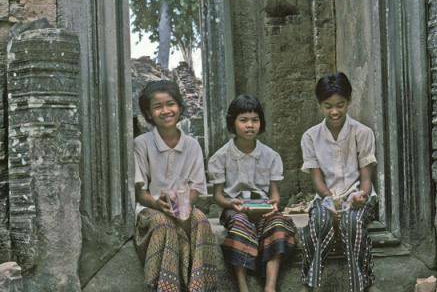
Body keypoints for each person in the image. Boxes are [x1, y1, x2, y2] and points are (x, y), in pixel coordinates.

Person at [134, 80, 217, 292]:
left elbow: (196, 187)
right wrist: (157, 203)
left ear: (179, 107)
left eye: (170, 104)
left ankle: (200, 287)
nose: (165, 111)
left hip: (184, 206)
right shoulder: (142, 144)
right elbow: (140, 191)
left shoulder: (191, 145)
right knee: (164, 224)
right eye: (157, 106)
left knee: (201, 220)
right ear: (149, 114)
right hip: (150, 209)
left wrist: (184, 205)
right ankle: (164, 287)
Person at [208, 95, 296, 292]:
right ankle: (243, 286)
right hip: (235, 209)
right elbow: (219, 196)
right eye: (243, 120)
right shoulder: (220, 157)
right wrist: (232, 205)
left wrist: (273, 204)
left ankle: (270, 286)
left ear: (261, 123)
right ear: (233, 123)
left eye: (255, 120)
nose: (250, 125)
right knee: (239, 225)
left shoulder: (271, 156)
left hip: (263, 208)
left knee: (279, 224)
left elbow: (274, 194)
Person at [300, 72, 377, 292]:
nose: (334, 111)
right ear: (320, 105)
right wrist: (328, 199)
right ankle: (311, 284)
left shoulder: (362, 132)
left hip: (356, 196)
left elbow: (366, 177)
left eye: (340, 105)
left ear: (349, 102)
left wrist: (361, 195)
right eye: (328, 106)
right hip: (326, 197)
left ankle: (363, 284)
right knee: (318, 223)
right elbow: (317, 179)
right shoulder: (310, 137)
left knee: (351, 223)